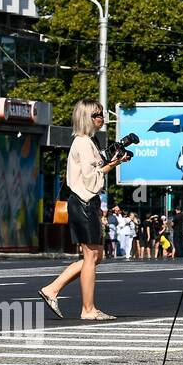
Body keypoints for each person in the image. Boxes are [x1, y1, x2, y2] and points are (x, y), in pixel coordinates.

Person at [38, 100, 124, 321]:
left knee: (96, 256)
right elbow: (91, 179)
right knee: (90, 256)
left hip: (86, 203)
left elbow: (94, 172)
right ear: (86, 117)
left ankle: (52, 289)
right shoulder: (83, 143)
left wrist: (113, 162)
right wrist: (113, 165)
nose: (101, 118)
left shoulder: (89, 142)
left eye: (102, 114)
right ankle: (88, 309)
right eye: (97, 115)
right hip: (84, 202)